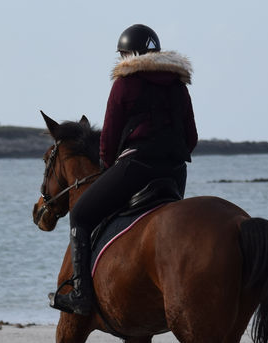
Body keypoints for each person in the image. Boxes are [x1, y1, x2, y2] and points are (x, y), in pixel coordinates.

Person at [49, 24, 198, 316]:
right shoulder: (178, 84)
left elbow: (108, 139)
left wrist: (107, 167)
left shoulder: (125, 83)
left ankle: (80, 294)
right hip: (175, 171)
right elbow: (191, 137)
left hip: (136, 166)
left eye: (121, 55)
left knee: (80, 214)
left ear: (128, 54)